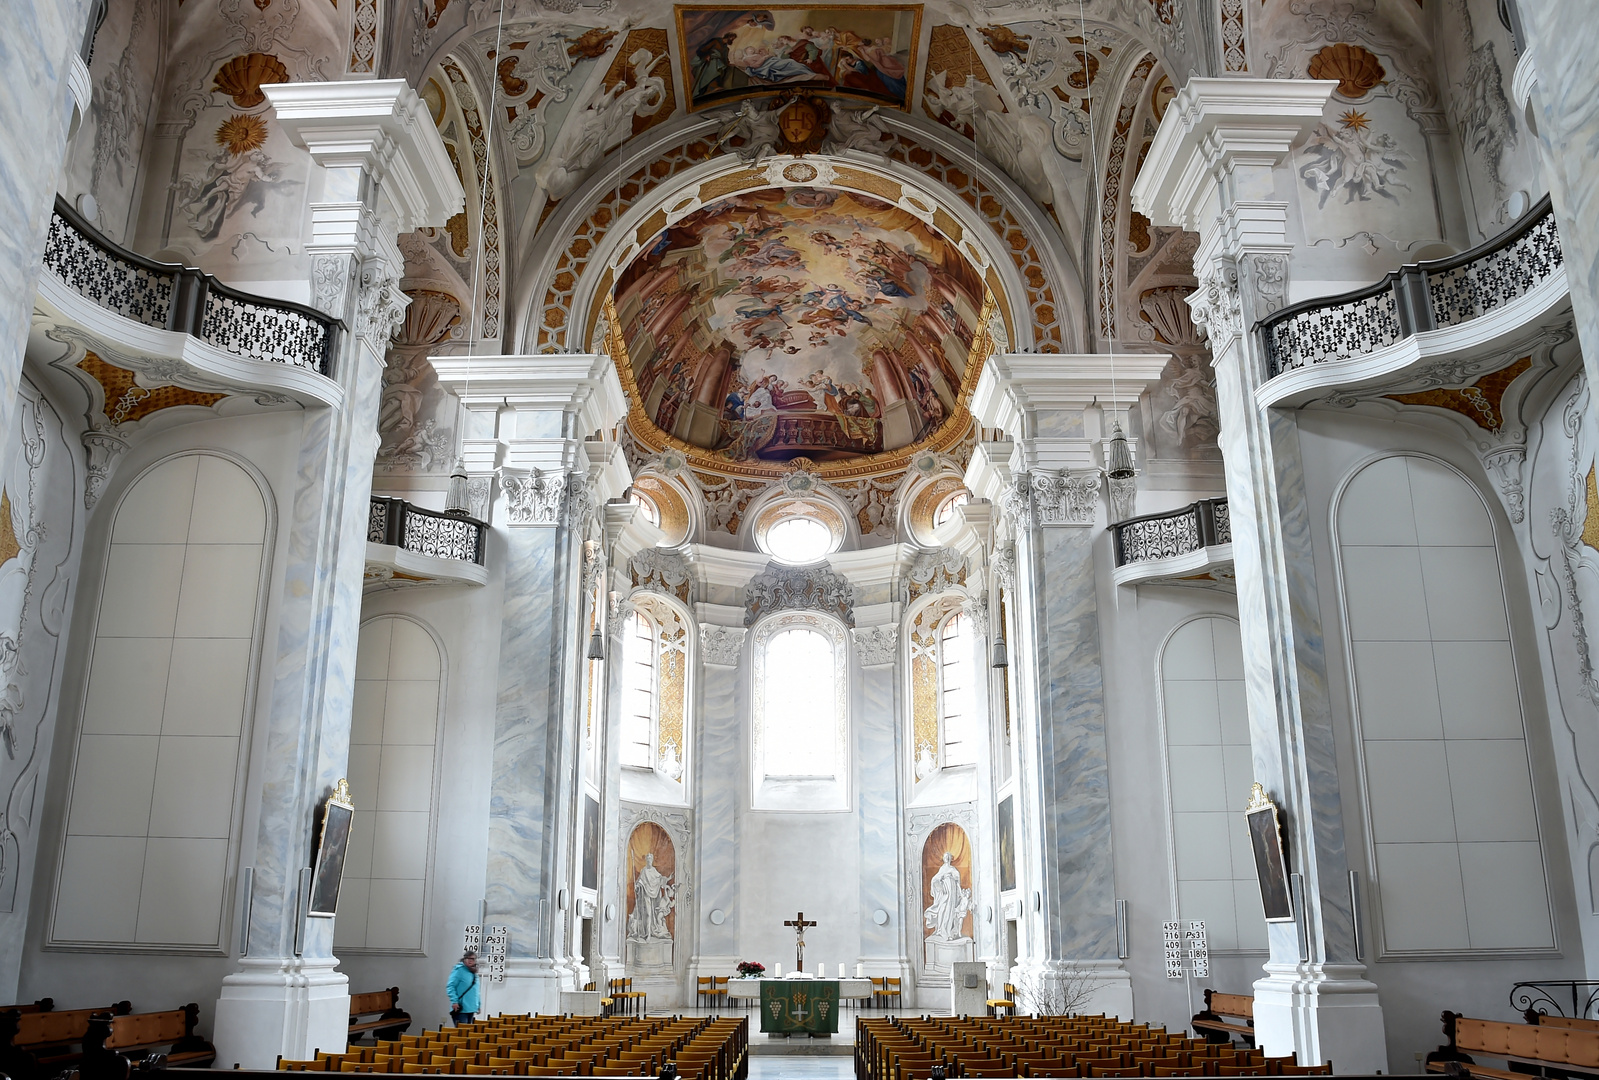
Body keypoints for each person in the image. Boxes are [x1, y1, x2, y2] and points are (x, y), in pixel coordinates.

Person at [446, 950, 480, 1025]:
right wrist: (454, 1001)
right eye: (468, 958)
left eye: (473, 959)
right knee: (462, 1032)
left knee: (468, 1032)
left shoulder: (474, 973)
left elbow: (476, 991)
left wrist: (478, 1005)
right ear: (464, 959)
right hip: (461, 1008)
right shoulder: (459, 970)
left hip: (471, 1008)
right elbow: (450, 986)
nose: (470, 961)